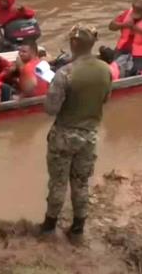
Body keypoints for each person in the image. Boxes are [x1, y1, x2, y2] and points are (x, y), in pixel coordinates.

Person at [40, 24, 113, 240]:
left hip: (64, 135)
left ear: (74, 43)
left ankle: (49, 226)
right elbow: (106, 99)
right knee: (81, 182)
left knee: (58, 182)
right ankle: (78, 227)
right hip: (89, 135)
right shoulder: (105, 70)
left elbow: (50, 109)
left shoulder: (65, 73)